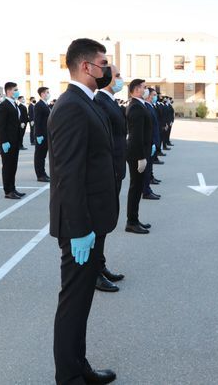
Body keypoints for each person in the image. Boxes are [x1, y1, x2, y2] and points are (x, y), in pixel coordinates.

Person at [48, 38, 118, 385]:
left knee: (81, 302)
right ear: (87, 66)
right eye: (104, 63)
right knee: (73, 303)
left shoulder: (86, 101)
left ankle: (79, 365)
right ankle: (69, 375)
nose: (108, 69)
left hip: (92, 219)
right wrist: (78, 229)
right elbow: (68, 173)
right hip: (81, 224)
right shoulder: (72, 105)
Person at [94, 64, 127, 293]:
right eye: (117, 76)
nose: (120, 79)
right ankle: (94, 272)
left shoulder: (110, 100)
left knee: (106, 222)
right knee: (100, 223)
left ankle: (100, 264)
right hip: (109, 169)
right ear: (106, 78)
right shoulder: (101, 102)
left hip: (115, 167)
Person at [125, 79, 153, 234]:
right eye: (144, 87)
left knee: (137, 187)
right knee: (135, 188)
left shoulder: (139, 105)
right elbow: (136, 136)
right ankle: (131, 221)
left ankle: (134, 219)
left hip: (140, 152)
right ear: (136, 89)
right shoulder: (135, 107)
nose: (146, 90)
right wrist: (141, 157)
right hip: (137, 154)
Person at [0, 82, 24, 200]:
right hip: (7, 141)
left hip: (14, 140)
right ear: (8, 91)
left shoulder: (14, 104)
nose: (17, 91)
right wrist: (3, 141)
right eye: (15, 90)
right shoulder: (3, 105)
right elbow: (1, 125)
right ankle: (8, 190)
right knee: (7, 166)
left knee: (13, 166)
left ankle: (13, 188)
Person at [33, 87, 51, 183]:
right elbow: (37, 121)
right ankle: (40, 175)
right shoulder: (39, 105)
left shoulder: (45, 104)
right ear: (42, 94)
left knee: (43, 156)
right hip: (41, 135)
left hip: (46, 134)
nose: (48, 94)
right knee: (39, 156)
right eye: (47, 92)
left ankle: (43, 173)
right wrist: (39, 135)